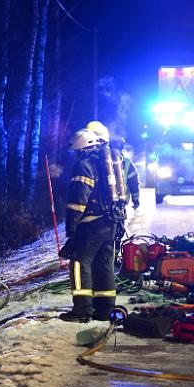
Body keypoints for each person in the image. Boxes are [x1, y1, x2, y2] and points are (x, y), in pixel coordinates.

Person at [58, 127, 124, 322]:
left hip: (91, 223)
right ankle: (105, 309)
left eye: (75, 151)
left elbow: (78, 199)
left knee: (79, 262)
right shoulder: (106, 164)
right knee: (104, 264)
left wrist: (71, 227)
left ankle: (82, 309)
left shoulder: (85, 165)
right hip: (112, 222)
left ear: (81, 148)